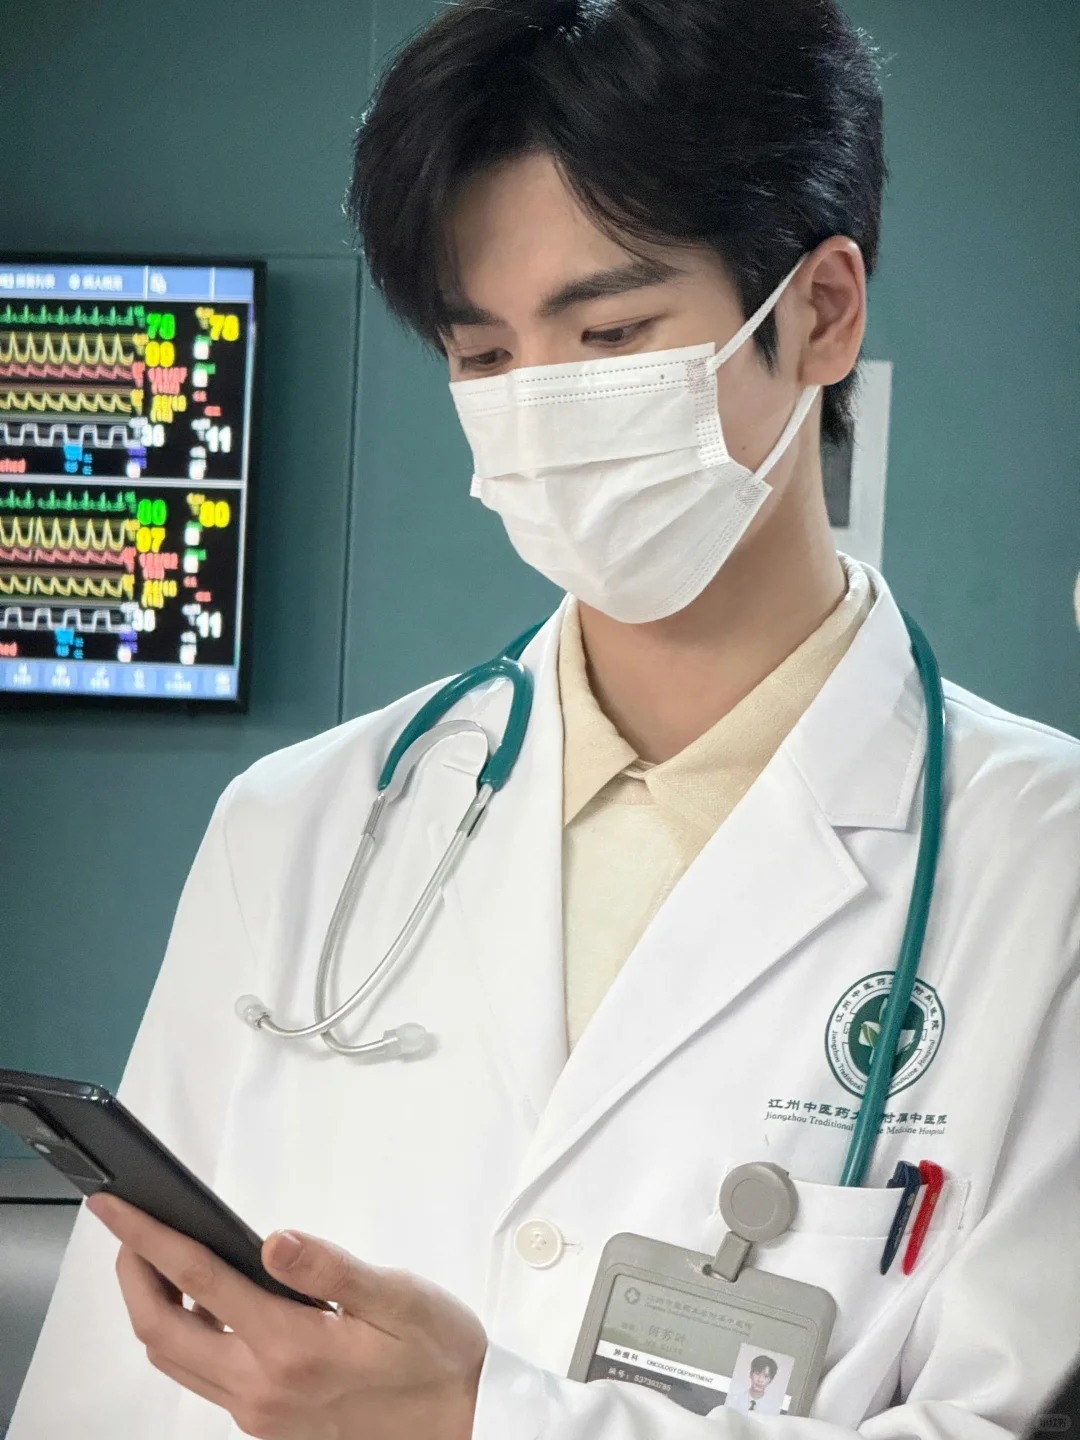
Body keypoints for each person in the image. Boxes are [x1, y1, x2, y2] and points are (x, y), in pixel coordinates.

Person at [10, 0, 1080, 1437]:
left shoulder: (1045, 865)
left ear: (822, 312)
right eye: (486, 358)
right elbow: (107, 1388)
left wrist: (481, 1423)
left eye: (612, 331)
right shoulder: (302, 826)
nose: (543, 411)